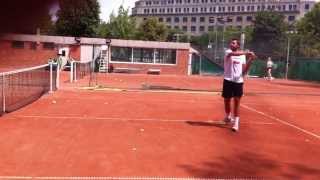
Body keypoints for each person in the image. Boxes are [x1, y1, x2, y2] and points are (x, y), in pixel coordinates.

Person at [222, 38, 256, 132]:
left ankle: (236, 123)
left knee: (237, 102)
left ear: (238, 46)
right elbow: (233, 54)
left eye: (233, 43)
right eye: (231, 42)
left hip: (238, 82)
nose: (231, 44)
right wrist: (246, 53)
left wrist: (251, 59)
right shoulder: (228, 52)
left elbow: (244, 71)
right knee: (227, 101)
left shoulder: (242, 57)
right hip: (228, 80)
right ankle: (228, 116)